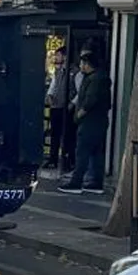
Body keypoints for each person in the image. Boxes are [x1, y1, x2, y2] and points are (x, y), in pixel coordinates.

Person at [60, 51, 112, 194]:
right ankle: (96, 183)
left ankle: (76, 182)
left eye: (82, 63)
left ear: (88, 64)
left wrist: (80, 113)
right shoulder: (101, 78)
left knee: (82, 152)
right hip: (100, 121)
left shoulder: (94, 80)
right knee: (96, 152)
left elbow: (90, 99)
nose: (81, 66)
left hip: (90, 121)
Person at [44, 46, 76, 170]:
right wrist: (49, 96)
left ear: (65, 56)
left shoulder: (75, 72)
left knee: (67, 135)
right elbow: (53, 86)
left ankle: (68, 160)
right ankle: (53, 159)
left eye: (58, 55)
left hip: (66, 108)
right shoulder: (58, 71)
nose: (56, 58)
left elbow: (79, 91)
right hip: (56, 106)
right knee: (54, 134)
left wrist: (72, 103)